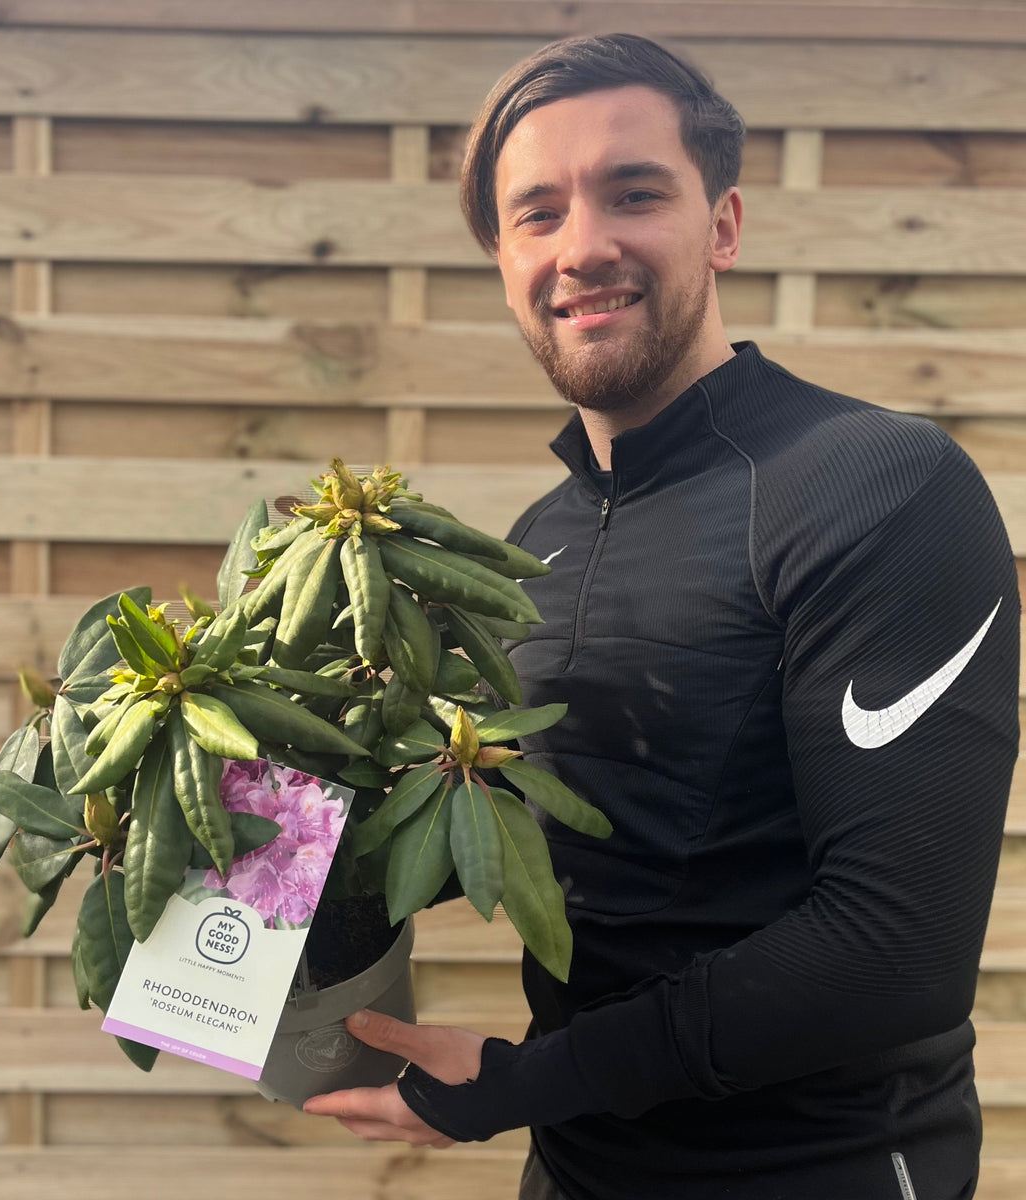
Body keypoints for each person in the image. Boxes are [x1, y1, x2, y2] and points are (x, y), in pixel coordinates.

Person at [303, 33, 1019, 1200]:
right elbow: (544, 835)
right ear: (503, 259)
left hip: (816, 1175)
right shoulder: (534, 541)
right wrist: (235, 836)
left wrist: (521, 1082)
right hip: (581, 1173)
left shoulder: (878, 487)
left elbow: (893, 956)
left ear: (723, 224)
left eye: (633, 193)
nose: (583, 246)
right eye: (535, 214)